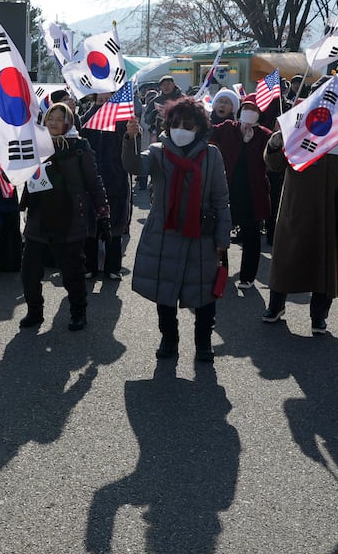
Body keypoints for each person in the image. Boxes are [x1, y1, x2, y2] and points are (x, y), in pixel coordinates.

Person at [123, 97, 232, 362]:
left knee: (205, 293)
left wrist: (222, 238)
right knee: (165, 292)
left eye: (188, 124)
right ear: (169, 124)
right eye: (177, 123)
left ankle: (203, 343)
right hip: (164, 232)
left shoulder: (212, 155)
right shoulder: (158, 151)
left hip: (201, 234)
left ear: (199, 127)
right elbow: (135, 166)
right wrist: (129, 139)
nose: (181, 129)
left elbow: (220, 198)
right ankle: (169, 339)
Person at [262, 127, 338, 334]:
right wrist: (275, 144)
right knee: (286, 258)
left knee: (327, 264)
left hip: (331, 208)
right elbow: (275, 164)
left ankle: (319, 316)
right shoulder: (298, 126)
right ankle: (276, 305)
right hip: (296, 205)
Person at [21, 101, 107, 332]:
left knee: (72, 272)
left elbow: (94, 182)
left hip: (70, 218)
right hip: (39, 215)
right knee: (29, 270)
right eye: (51, 118)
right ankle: (34, 311)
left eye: (60, 119)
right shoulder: (36, 144)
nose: (54, 123)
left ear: (68, 122)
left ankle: (78, 312)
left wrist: (103, 213)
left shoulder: (79, 146)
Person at [209, 93, 274, 288]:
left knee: (252, 236)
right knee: (221, 232)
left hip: (253, 194)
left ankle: (247, 277)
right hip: (226, 190)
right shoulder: (228, 128)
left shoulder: (265, 135)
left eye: (254, 109)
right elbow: (208, 134)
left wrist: (279, 140)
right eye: (246, 108)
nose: (249, 112)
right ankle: (222, 271)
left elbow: (275, 160)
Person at [82, 91, 132, 279]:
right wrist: (96, 109)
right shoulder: (88, 118)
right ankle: (89, 266)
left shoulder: (121, 118)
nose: (103, 102)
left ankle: (113, 267)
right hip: (92, 177)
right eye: (99, 99)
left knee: (115, 225)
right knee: (90, 224)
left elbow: (130, 139)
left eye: (107, 98)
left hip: (116, 177)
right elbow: (81, 132)